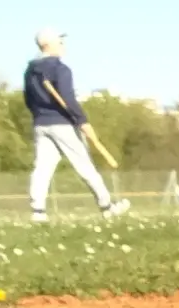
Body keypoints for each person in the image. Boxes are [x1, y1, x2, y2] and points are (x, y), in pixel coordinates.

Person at [22, 28, 130, 221]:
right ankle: (106, 207)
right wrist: (82, 120)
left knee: (42, 168)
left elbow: (28, 99)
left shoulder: (30, 71)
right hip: (63, 123)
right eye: (60, 42)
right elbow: (68, 99)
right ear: (49, 45)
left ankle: (37, 211)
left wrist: (40, 115)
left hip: (40, 124)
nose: (63, 46)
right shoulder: (60, 69)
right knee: (84, 165)